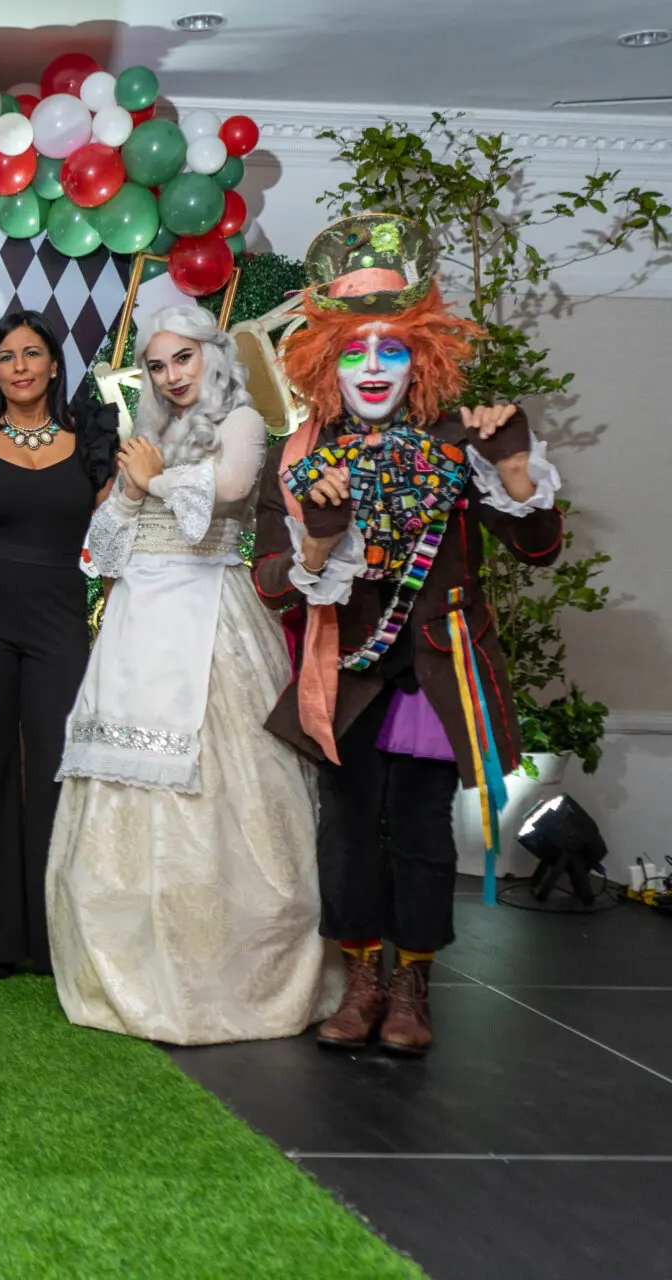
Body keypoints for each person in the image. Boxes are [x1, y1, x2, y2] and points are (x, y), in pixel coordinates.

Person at [256, 213, 561, 1056]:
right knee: (348, 829)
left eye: (393, 349)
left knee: (424, 832)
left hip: (437, 668)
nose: (375, 369)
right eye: (355, 351)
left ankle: (413, 983)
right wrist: (318, 538)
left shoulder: (464, 440)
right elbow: (272, 580)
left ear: (420, 356)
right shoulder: (301, 457)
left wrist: (512, 470)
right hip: (346, 672)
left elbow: (538, 548)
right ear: (328, 363)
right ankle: (360, 977)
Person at [46, 305, 336, 1041]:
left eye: (184, 358)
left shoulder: (240, 417)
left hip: (212, 615)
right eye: (158, 365)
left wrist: (155, 478)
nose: (172, 375)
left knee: (227, 787)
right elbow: (104, 547)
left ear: (212, 355)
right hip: (138, 621)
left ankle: (226, 971)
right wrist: (136, 486)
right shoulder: (147, 437)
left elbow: (234, 488)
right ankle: (128, 967)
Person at [0, 312, 119, 979]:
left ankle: (52, 934)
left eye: (32, 353)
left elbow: (115, 537)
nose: (20, 366)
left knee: (56, 772)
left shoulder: (91, 440)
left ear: (55, 365)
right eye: (6, 357)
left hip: (60, 617)